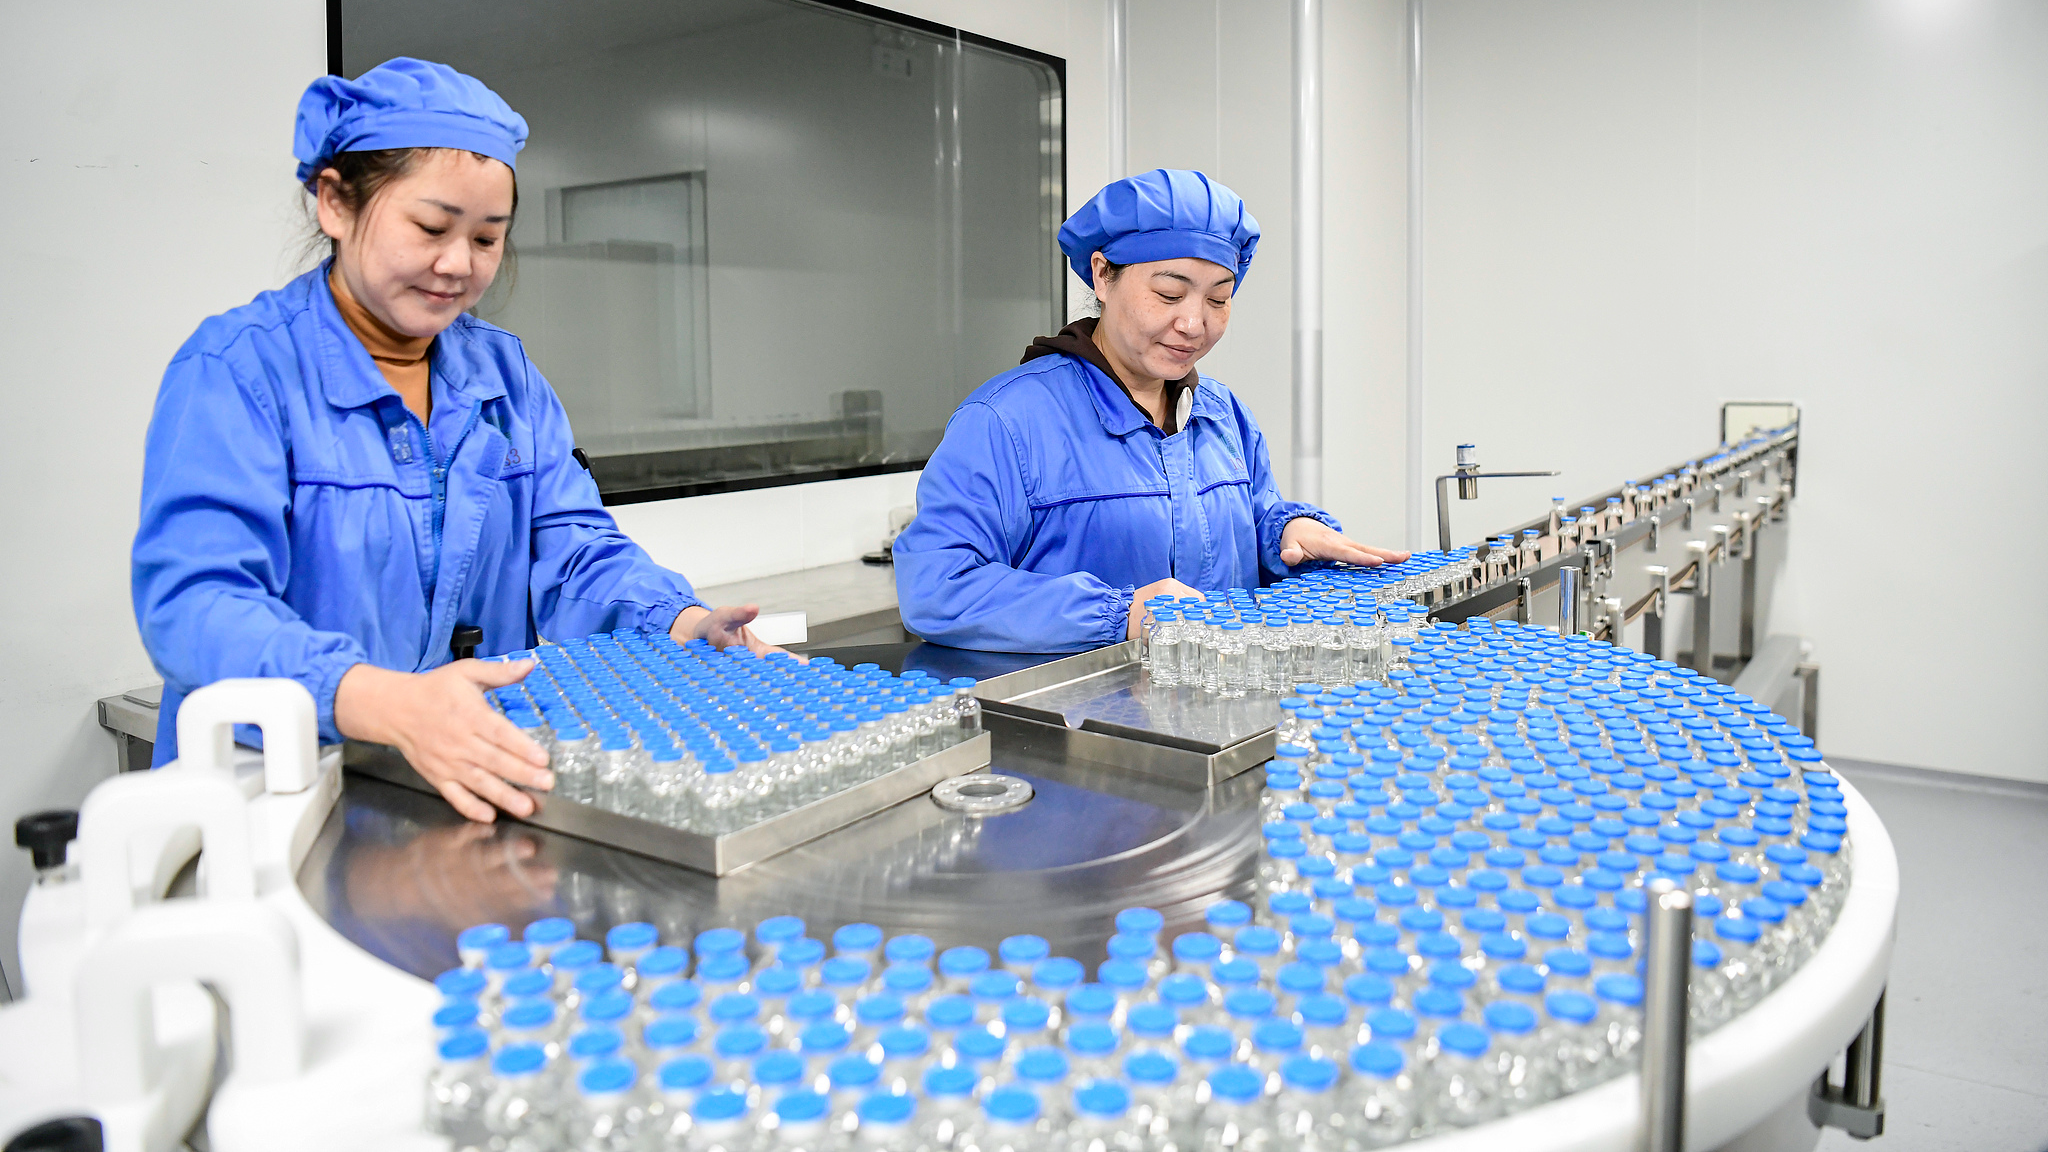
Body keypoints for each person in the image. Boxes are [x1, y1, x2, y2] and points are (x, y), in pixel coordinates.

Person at [132, 59, 773, 822]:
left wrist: (682, 622)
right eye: (431, 229)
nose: (458, 265)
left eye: (487, 238)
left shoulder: (504, 376)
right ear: (335, 203)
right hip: (274, 800)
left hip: (455, 784)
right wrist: (375, 700)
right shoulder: (242, 370)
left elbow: (571, 546)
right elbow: (195, 604)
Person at [893, 169, 1408, 652]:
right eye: (1169, 293)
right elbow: (938, 586)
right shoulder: (1007, 421)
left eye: (1218, 299)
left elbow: (1246, 520)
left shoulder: (1221, 413)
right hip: (1075, 712)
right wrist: (1119, 615)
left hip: (1219, 702)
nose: (1194, 324)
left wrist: (1286, 532)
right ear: (1103, 275)